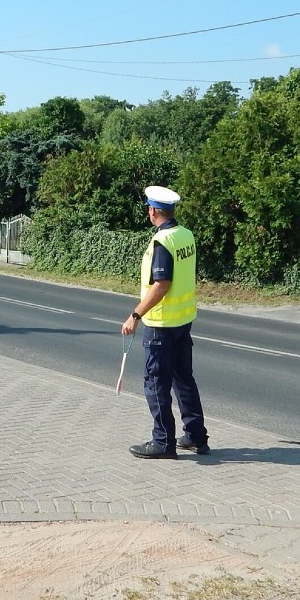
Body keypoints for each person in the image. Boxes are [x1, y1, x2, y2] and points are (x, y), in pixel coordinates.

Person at [121, 185, 209, 459]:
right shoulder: (186, 235)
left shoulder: (162, 242)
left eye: (149, 208)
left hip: (161, 324)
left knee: (156, 382)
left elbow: (161, 284)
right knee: (184, 379)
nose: (148, 211)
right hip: (183, 321)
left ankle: (163, 442)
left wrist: (135, 315)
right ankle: (196, 437)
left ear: (155, 211)